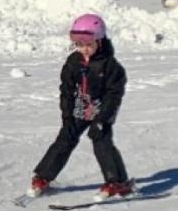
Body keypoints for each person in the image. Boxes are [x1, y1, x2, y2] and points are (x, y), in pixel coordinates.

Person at [28, 13, 134, 200]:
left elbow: (113, 96)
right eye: (79, 44)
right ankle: (43, 176)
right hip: (80, 108)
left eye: (89, 44)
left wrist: (102, 120)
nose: (84, 49)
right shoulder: (73, 62)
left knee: (101, 142)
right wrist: (67, 116)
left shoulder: (110, 66)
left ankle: (116, 182)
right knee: (65, 139)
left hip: (101, 109)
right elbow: (66, 90)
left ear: (99, 41)